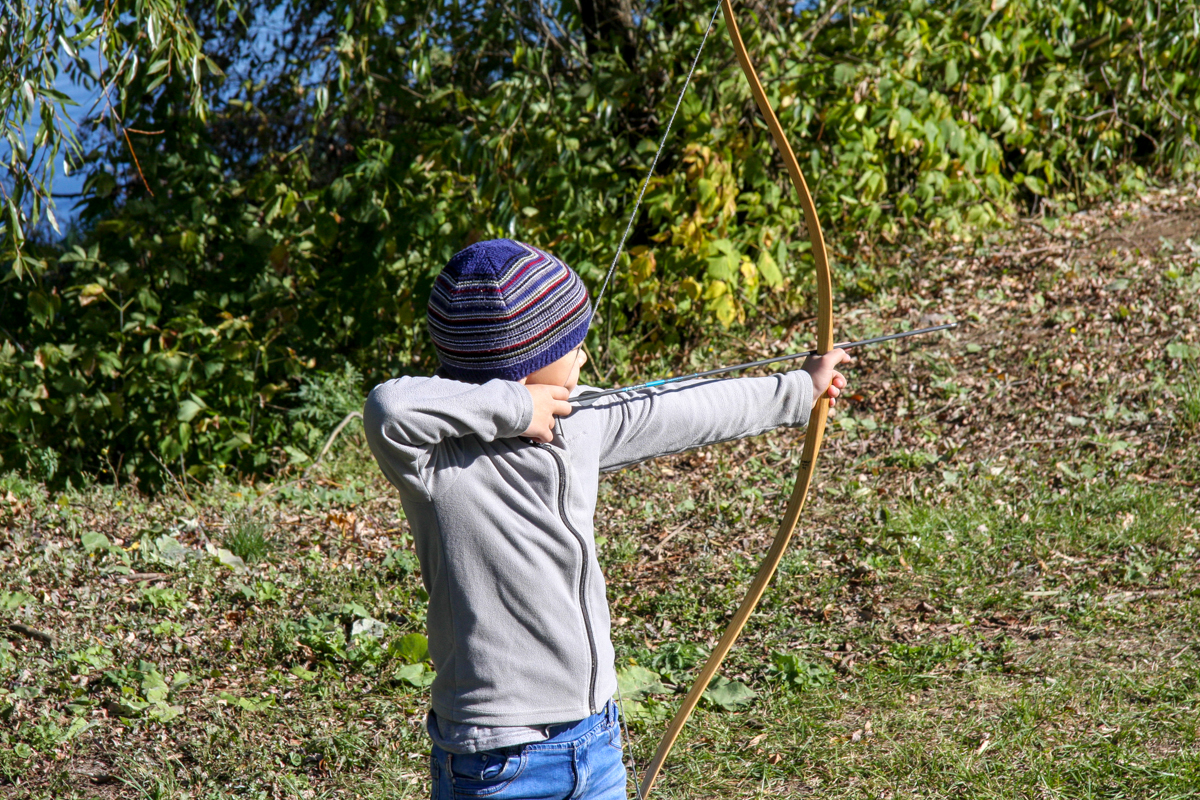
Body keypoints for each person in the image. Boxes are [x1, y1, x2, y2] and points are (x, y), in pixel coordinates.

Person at [362, 238, 850, 800]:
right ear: (520, 365)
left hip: (594, 738)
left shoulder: (580, 422)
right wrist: (518, 408)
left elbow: (682, 408)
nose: (584, 357)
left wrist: (796, 389)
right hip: (495, 760)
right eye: (570, 345)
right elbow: (389, 408)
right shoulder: (436, 460)